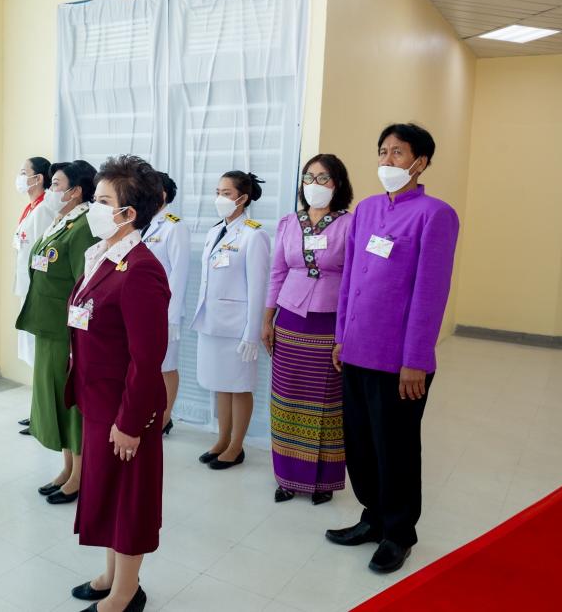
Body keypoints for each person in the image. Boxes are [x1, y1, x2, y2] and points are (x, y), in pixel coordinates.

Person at [326, 123, 460, 574]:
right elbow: (350, 279)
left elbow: (430, 293)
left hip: (398, 359)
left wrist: (416, 360)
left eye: (397, 153)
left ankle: (399, 533)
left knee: (395, 449)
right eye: (382, 151)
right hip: (356, 350)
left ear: (420, 162)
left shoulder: (435, 215)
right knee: (361, 444)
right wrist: (341, 336)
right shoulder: (365, 210)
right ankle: (373, 517)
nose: (387, 161)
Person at [65, 155, 169, 612]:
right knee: (107, 490)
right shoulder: (105, 256)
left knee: (128, 499)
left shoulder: (141, 268)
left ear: (128, 214)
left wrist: (130, 422)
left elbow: (147, 358)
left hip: (126, 406)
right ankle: (112, 576)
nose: (94, 207)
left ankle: (126, 594)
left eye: (104, 201)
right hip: (98, 399)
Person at [262, 154, 354, 505]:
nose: (315, 184)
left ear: (338, 183)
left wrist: (345, 334)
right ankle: (287, 477)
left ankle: (322, 481)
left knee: (326, 404)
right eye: (309, 177)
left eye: (323, 177)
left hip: (329, 321)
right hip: (289, 319)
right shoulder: (289, 222)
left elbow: (353, 279)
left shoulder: (350, 224)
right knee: (287, 400)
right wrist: (267, 319)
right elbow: (277, 272)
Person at [16, 160, 99, 504]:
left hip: (66, 331)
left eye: (57, 184)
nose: (51, 189)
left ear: (76, 191)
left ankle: (80, 475)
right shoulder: (61, 221)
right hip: (47, 324)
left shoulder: (84, 227)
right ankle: (67, 468)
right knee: (55, 400)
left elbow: (84, 286)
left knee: (71, 402)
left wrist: (78, 339)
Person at [191, 171, 270, 469]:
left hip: (237, 327)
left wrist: (252, 333)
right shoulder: (215, 231)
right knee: (219, 384)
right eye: (218, 192)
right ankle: (222, 439)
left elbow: (258, 288)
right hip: (212, 321)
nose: (219, 198)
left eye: (226, 193)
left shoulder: (254, 235)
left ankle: (237, 446)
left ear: (243, 198)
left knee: (239, 385)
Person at [141, 172, 190, 435]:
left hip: (164, 311)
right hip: (142, 309)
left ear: (161, 194)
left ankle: (164, 417)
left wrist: (171, 318)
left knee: (166, 366)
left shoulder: (174, 226)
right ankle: (148, 413)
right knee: (146, 365)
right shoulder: (142, 222)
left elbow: (179, 275)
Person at [13, 156, 59, 435]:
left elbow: (43, 254)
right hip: (26, 288)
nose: (19, 178)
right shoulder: (31, 208)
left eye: (24, 172)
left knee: (38, 355)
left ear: (39, 178)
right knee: (31, 353)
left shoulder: (43, 210)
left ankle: (41, 416)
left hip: (36, 291)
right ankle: (36, 412)